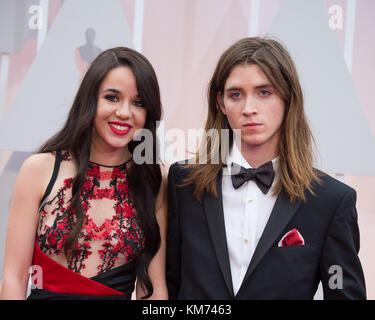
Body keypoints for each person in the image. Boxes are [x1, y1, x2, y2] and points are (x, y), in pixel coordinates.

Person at [166, 37, 366, 300]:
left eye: (264, 92)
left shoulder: (331, 200)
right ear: (221, 103)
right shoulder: (184, 182)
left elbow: (342, 291)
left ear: (287, 97)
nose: (249, 109)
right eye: (236, 94)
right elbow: (168, 286)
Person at [0, 47, 168, 300]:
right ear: (91, 99)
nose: (124, 112)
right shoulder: (38, 170)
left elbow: (153, 290)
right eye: (112, 97)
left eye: (138, 103)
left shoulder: (153, 181)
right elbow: (14, 277)